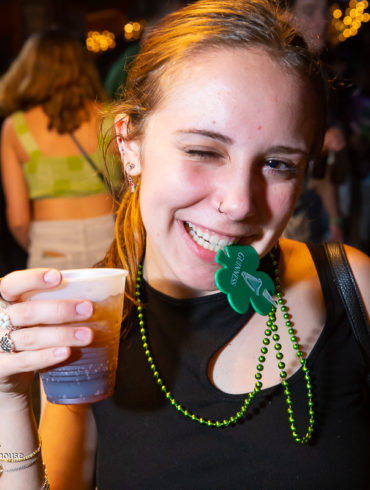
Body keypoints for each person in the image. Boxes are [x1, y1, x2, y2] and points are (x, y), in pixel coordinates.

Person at [0, 1, 369, 489]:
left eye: (279, 164)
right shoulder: (88, 329)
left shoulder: (354, 289)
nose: (239, 204)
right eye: (203, 151)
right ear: (130, 144)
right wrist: (9, 399)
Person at [0, 27, 122, 270]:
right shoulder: (111, 119)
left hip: (51, 245)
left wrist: (40, 246)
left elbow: (18, 221)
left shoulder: (16, 128)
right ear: (83, 69)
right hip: (110, 241)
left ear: (30, 71)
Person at [282, 0, 348, 242]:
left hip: (302, 223)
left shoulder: (316, 79)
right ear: (282, 16)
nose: (323, 21)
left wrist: (335, 220)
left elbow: (320, 175)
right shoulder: (273, 79)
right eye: (310, 11)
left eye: (325, 11)